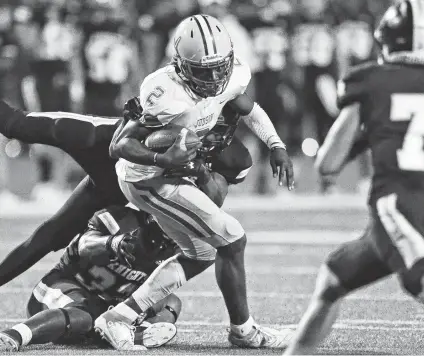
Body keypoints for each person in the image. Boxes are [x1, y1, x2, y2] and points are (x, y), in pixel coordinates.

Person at [101, 14, 295, 351]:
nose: (216, 78)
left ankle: (118, 317)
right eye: (205, 72)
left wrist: (276, 145)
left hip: (178, 170)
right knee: (232, 239)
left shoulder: (232, 76)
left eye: (221, 67)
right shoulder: (164, 92)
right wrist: (163, 158)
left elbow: (249, 109)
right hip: (148, 178)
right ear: (180, 64)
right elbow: (119, 146)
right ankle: (243, 332)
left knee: (202, 252)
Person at [284, 0, 424, 353]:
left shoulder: (371, 81)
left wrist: (369, 130)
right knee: (334, 278)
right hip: (387, 225)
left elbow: (329, 164)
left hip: (400, 206)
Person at [0, 95, 250, 288]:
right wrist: (142, 120)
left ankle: (116, 312)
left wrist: (201, 173)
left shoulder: (233, 158)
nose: (213, 132)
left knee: (53, 236)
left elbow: (212, 204)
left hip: (131, 191)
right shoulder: (177, 99)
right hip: (105, 149)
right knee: (17, 125)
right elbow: (125, 137)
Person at [0, 204, 183, 351]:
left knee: (171, 304)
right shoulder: (120, 219)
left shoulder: (176, 249)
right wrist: (112, 243)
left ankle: (127, 334)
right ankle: (14, 335)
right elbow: (84, 245)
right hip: (63, 287)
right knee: (83, 316)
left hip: (103, 304)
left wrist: (145, 306)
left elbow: (161, 292)